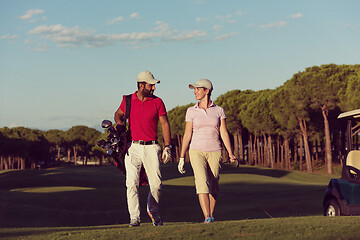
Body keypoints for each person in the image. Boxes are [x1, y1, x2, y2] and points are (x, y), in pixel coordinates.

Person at [114, 71, 172, 227]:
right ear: (141, 85)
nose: (153, 88)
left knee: (157, 184)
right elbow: (118, 114)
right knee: (131, 184)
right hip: (132, 147)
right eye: (150, 85)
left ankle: (152, 210)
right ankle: (134, 217)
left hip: (152, 147)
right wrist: (120, 123)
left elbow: (165, 124)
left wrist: (168, 146)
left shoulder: (158, 102)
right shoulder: (127, 100)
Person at [178, 78, 236, 223]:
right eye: (194, 89)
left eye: (197, 89)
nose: (195, 92)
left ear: (207, 91)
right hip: (196, 151)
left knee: (213, 184)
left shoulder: (219, 110)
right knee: (201, 182)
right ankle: (207, 217)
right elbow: (187, 134)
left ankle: (211, 213)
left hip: (215, 151)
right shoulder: (191, 111)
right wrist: (181, 157)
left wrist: (230, 153)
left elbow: (223, 132)